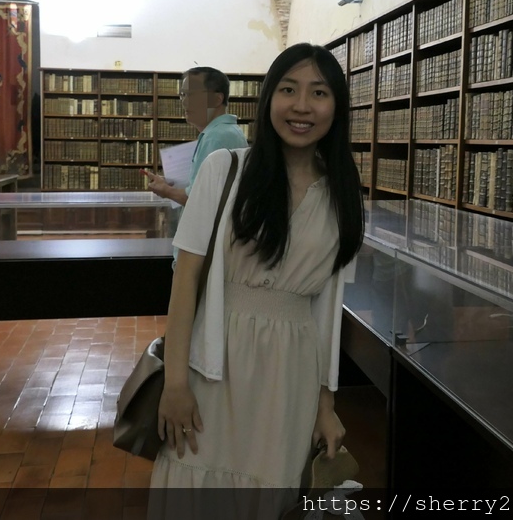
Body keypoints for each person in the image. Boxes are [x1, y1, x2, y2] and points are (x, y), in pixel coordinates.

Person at [148, 43, 365, 519]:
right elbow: (185, 282)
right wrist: (175, 383)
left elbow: (326, 307)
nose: (302, 106)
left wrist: (325, 403)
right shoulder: (226, 169)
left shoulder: (343, 194)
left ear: (337, 106)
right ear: (268, 99)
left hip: (291, 374)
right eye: (288, 90)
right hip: (214, 365)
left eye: (319, 93)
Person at [143, 66, 248, 206]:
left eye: (191, 95)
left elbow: (199, 200)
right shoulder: (226, 131)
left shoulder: (216, 137)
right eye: (183, 95)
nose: (184, 101)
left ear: (217, 99)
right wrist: (173, 184)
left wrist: (166, 191)